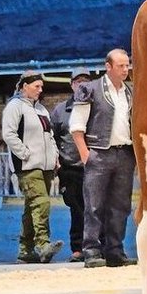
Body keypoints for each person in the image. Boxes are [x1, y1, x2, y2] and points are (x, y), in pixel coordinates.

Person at [70, 49, 137, 268]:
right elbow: (76, 126)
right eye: (121, 66)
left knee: (121, 205)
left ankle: (115, 250)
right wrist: (85, 154)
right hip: (99, 152)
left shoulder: (129, 92)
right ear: (108, 67)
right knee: (94, 205)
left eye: (127, 65)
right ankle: (91, 250)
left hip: (125, 153)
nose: (125, 70)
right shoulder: (90, 89)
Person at [0, 71, 64, 263]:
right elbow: (9, 134)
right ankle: (43, 244)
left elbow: (49, 136)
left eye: (41, 86)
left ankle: (25, 250)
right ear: (24, 87)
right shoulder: (15, 107)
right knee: (41, 202)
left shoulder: (42, 110)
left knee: (32, 207)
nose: (40, 89)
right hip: (27, 166)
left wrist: (54, 156)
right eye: (37, 86)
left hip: (46, 166)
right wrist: (25, 154)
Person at [48, 69, 94, 261]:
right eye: (78, 81)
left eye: (86, 81)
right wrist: (57, 161)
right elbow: (52, 137)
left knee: (97, 208)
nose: (82, 84)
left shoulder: (97, 106)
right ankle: (78, 248)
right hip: (71, 168)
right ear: (71, 84)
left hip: (95, 167)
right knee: (76, 209)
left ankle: (99, 246)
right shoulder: (60, 110)